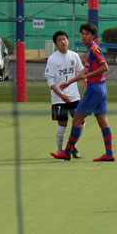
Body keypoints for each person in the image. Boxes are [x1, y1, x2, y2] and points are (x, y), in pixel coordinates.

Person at [50, 22, 115, 161]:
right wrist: (69, 82)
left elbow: (105, 67)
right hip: (101, 88)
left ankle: (66, 152)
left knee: (77, 120)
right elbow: (83, 73)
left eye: (87, 34)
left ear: (93, 36)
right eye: (82, 34)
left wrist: (88, 76)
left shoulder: (94, 49)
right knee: (103, 121)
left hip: (94, 89)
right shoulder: (90, 50)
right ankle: (109, 154)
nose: (84, 36)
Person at [45, 30, 84, 158]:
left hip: (74, 97)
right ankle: (60, 149)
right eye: (59, 40)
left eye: (64, 39)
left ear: (68, 41)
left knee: (81, 121)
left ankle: (71, 147)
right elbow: (50, 82)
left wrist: (87, 86)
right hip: (58, 98)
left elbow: (81, 73)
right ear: (56, 44)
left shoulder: (74, 56)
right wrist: (61, 95)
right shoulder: (52, 59)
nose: (62, 42)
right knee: (63, 124)